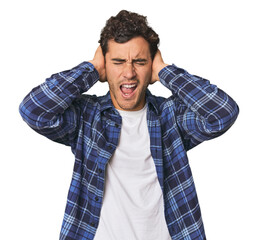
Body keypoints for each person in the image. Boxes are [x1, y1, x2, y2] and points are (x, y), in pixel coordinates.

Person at [19, 10, 239, 240]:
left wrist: (166, 72)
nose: (129, 73)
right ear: (106, 66)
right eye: (118, 61)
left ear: (151, 67)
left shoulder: (170, 117)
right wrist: (91, 68)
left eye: (140, 62)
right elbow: (33, 110)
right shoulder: (87, 116)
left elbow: (223, 113)